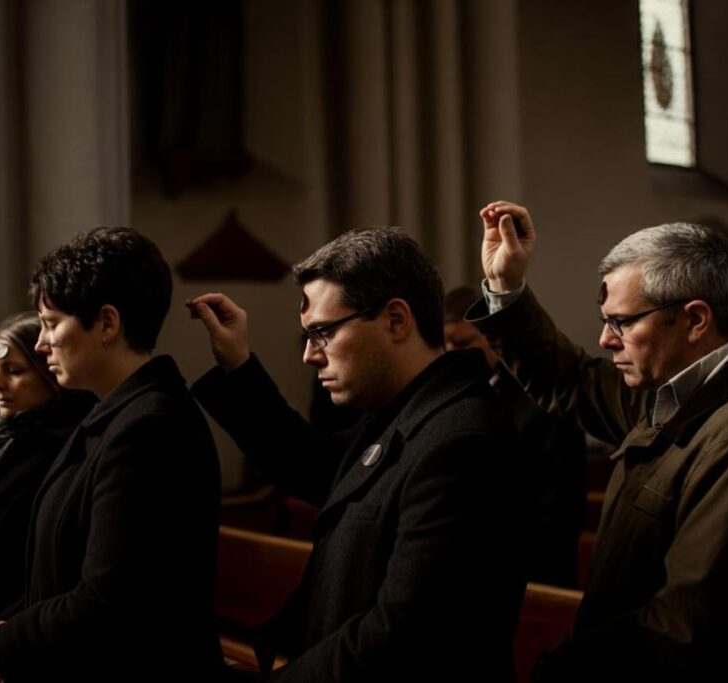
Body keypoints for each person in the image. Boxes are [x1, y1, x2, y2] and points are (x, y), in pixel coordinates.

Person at [467, 201, 728, 681]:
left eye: (622, 322)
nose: (605, 339)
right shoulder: (685, 390)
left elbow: (684, 637)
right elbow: (574, 381)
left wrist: (558, 671)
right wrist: (506, 287)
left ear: (695, 319)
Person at [188, 227, 527, 681]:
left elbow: (400, 635)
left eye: (323, 332)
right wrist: (238, 365)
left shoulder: (461, 440)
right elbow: (309, 464)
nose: (310, 355)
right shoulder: (405, 414)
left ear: (396, 319)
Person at [0, 227, 224, 682]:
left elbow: (112, 597)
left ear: (107, 324)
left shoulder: (150, 427)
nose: (42, 343)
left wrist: (12, 640)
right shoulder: (111, 415)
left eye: (51, 323)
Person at [0, 313, 92, 683]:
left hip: (23, 633)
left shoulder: (66, 448)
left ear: (49, 377)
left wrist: (14, 632)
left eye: (13, 371)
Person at [444, 285, 586, 587]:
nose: (451, 354)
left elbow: (560, 514)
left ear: (492, 338)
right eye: (444, 344)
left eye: (462, 343)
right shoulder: (448, 397)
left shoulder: (543, 399)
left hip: (533, 576)